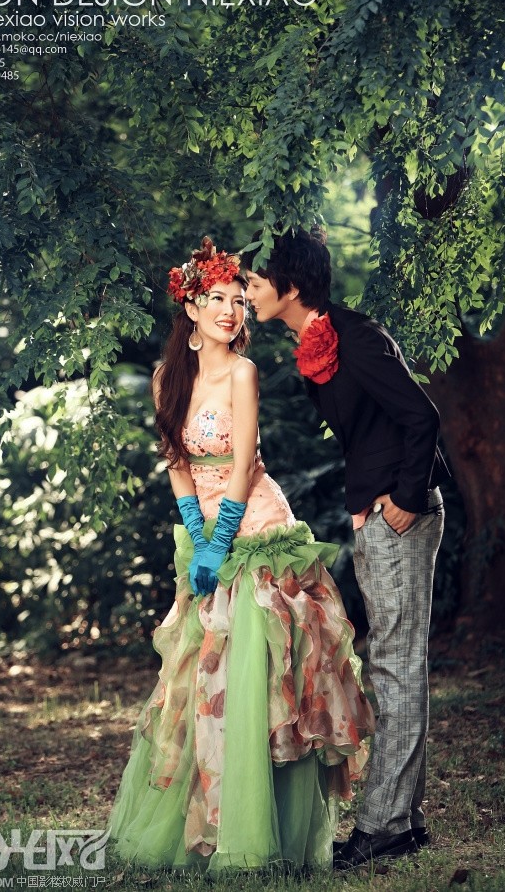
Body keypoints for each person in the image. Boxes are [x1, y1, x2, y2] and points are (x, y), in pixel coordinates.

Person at [108, 237, 375, 873]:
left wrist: (221, 539)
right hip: (202, 532)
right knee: (203, 679)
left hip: (253, 526)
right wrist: (197, 540)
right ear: (191, 309)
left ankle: (265, 832)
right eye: (217, 300)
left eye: (238, 300)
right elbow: (177, 464)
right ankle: (206, 823)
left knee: (260, 672)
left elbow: (243, 463)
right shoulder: (167, 378)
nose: (231, 311)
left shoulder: (242, 373)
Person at [243, 227, 449, 871]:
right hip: (375, 513)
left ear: (290, 287)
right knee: (394, 660)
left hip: (399, 515)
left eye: (255, 280)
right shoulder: (319, 339)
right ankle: (403, 822)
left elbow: (422, 416)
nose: (248, 291)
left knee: (394, 664)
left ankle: (384, 827)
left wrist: (404, 498)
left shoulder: (356, 337)